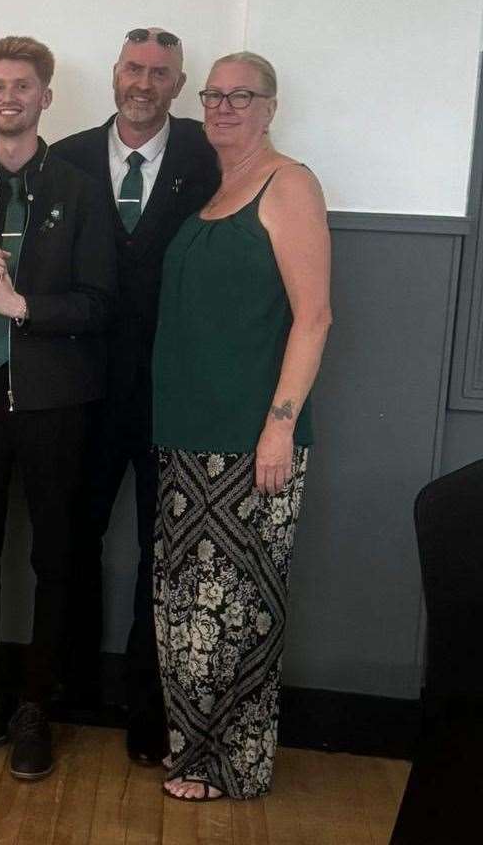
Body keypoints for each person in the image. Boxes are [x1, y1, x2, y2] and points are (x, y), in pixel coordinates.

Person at [0, 37, 117, 780]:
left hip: (54, 402)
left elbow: (100, 305)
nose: (10, 95)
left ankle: (37, 705)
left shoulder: (79, 188)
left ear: (46, 98)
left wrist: (21, 304)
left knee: (54, 555)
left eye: (24, 85)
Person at [152, 52, 331, 801]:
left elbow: (313, 316)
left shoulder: (289, 184)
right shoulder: (214, 185)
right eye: (214, 95)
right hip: (185, 434)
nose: (224, 106)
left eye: (242, 95)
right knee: (187, 607)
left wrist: (278, 428)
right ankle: (192, 750)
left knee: (238, 608)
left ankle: (235, 763)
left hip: (251, 442)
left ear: (270, 106)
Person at [49, 28, 220, 763]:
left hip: (168, 392)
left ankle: (148, 703)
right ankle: (67, 685)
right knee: (68, 541)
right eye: (133, 69)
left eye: (160, 73)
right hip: (79, 391)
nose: (143, 83)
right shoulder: (67, 158)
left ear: (179, 85)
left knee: (163, 549)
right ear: (115, 75)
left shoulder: (206, 161)